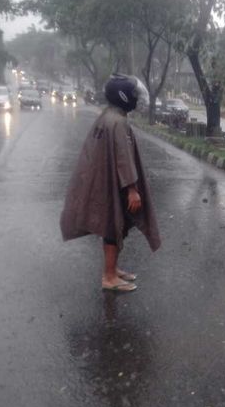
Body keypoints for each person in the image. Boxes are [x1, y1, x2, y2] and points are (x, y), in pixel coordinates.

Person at [60, 74, 161, 292]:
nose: (137, 99)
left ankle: (113, 269)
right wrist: (133, 189)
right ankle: (109, 276)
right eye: (134, 95)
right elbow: (123, 159)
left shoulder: (108, 116)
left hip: (105, 181)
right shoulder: (118, 123)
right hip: (113, 186)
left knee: (115, 226)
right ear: (123, 96)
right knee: (113, 227)